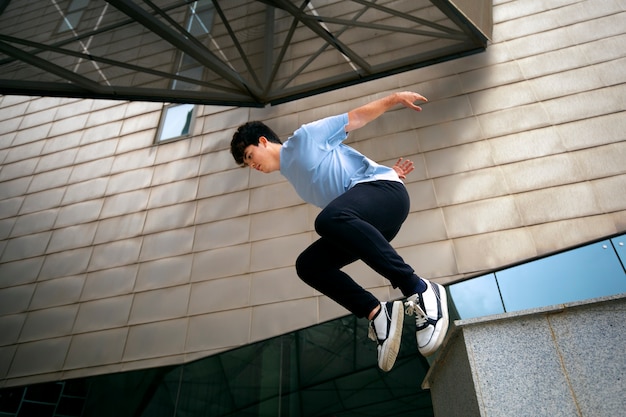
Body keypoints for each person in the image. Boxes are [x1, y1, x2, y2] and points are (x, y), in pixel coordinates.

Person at [230, 91, 449, 372]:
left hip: (385, 194)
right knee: (309, 265)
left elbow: (355, 118)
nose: (254, 166)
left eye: (251, 156)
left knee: (327, 220)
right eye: (249, 165)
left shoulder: (304, 138)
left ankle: (419, 289)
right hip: (371, 215)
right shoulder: (293, 177)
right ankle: (377, 313)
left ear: (263, 141)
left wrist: (394, 98)